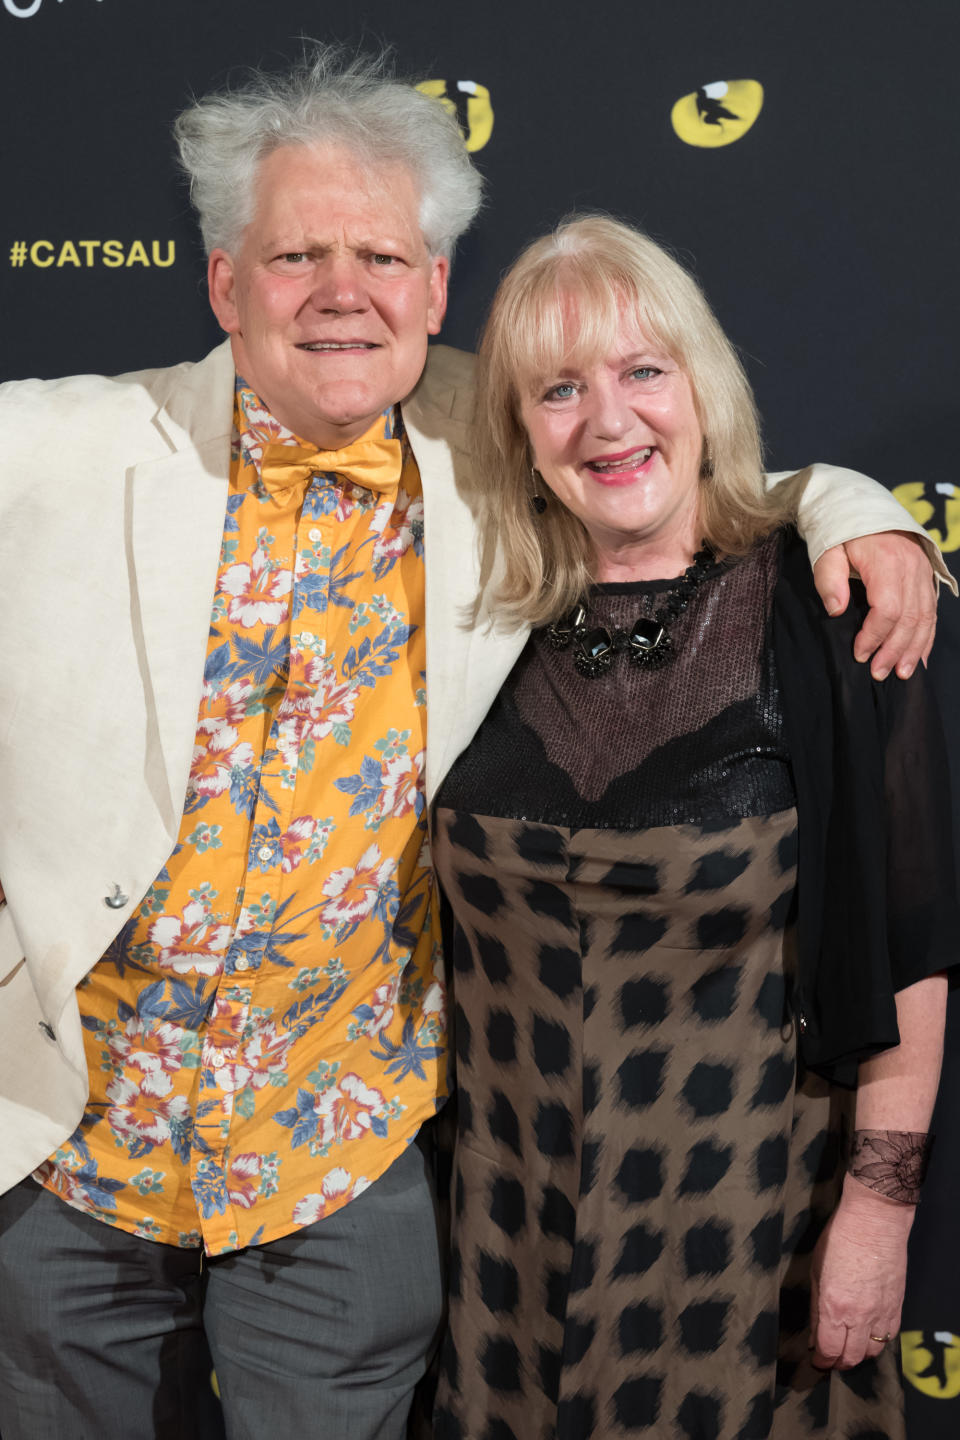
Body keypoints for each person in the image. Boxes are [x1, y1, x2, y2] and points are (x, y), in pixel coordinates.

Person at [0, 47, 949, 1440]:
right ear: (221, 282)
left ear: (436, 289)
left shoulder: (479, 451)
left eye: (383, 254)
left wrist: (851, 503)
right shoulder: (54, 447)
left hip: (346, 1174)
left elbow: (670, 467)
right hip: (72, 1159)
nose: (344, 291)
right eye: (295, 255)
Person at [429, 216, 957, 1440]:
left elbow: (911, 945)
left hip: (744, 1253)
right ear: (517, 430)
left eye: (641, 372)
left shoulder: (831, 610)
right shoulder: (469, 620)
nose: (607, 422)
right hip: (500, 1247)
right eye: (558, 389)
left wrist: (880, 1217)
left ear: (703, 386)